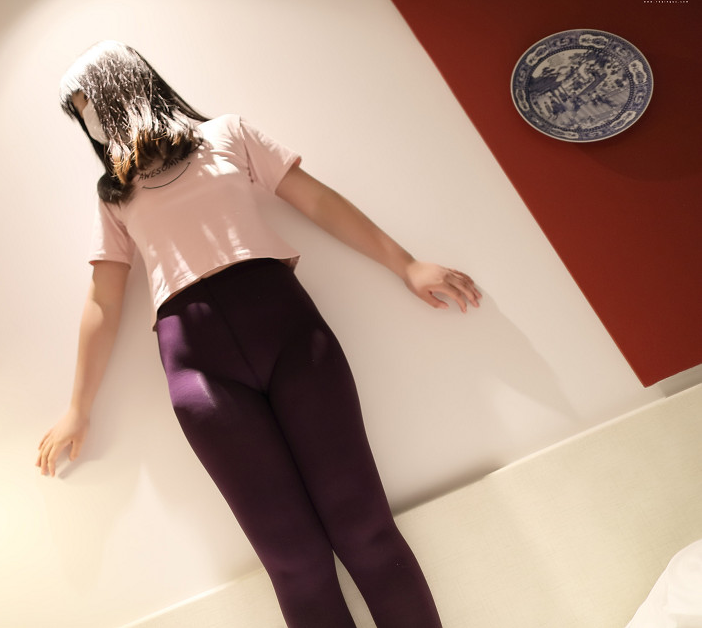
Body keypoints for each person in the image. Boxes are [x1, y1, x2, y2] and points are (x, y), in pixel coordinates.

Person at [36, 40, 480, 628]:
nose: (90, 123)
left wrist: (406, 264)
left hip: (288, 331)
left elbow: (317, 201)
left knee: (365, 530)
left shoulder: (228, 134)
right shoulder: (115, 194)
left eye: (87, 106)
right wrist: (78, 407)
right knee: (295, 561)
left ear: (121, 88)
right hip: (197, 365)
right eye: (81, 116)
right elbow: (104, 298)